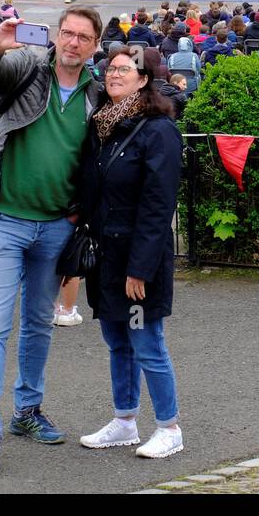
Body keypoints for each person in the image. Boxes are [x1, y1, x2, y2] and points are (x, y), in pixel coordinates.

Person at [0, 10, 103, 478]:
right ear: (56, 35)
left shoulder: (98, 93)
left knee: (40, 322)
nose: (74, 43)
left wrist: (85, 206)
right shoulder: (29, 67)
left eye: (84, 37)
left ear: (95, 44)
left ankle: (27, 410)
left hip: (55, 225)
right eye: (68, 33)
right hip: (1, 217)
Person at [75, 50, 185, 459]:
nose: (114, 74)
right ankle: (124, 420)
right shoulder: (104, 126)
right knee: (116, 339)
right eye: (110, 68)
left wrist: (139, 267)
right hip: (105, 255)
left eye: (124, 68)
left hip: (139, 257)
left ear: (143, 79)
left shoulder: (158, 131)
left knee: (147, 342)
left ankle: (169, 427)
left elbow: (158, 206)